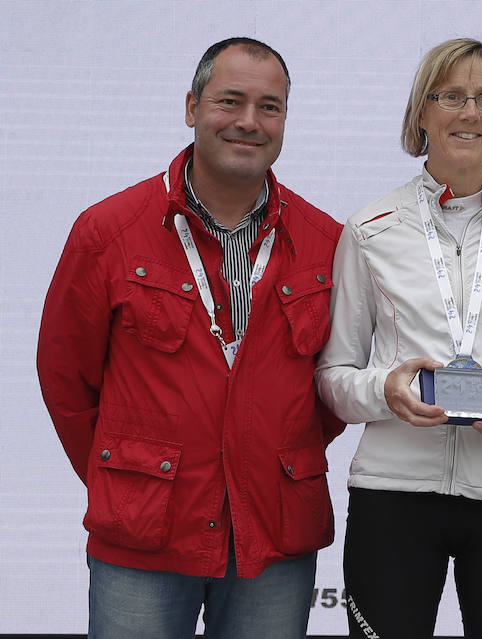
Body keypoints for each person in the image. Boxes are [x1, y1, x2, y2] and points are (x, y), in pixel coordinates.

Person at [36, 37, 343, 639]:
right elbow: (66, 378)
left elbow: (332, 390)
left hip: (272, 540)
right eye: (230, 101)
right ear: (191, 107)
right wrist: (128, 478)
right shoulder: (108, 232)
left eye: (270, 107)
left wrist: (270, 458)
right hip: (144, 542)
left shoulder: (326, 243)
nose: (249, 123)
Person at [315, 38, 482, 639]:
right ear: (422, 112)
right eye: (452, 97)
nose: (470, 113)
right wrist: (384, 390)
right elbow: (333, 374)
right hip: (394, 491)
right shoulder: (369, 229)